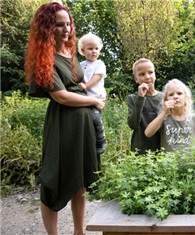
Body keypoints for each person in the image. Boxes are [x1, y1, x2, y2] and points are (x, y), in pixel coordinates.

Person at [24, 2, 105, 234]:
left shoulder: (70, 52)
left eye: (68, 23)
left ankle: (79, 232)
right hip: (62, 125)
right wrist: (94, 101)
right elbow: (61, 97)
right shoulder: (45, 57)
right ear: (48, 28)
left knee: (80, 181)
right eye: (59, 25)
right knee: (53, 180)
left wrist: (93, 98)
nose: (66, 29)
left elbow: (80, 85)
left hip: (83, 125)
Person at [145, 79, 195, 153]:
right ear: (166, 99)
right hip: (168, 163)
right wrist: (164, 113)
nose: (175, 97)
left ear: (186, 97)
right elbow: (148, 133)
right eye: (171, 94)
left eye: (179, 93)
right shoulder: (163, 118)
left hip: (189, 162)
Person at [78, 32, 108, 154]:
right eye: (90, 49)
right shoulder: (80, 65)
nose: (94, 51)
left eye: (96, 49)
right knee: (87, 119)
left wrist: (85, 85)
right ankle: (90, 140)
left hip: (97, 96)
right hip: (86, 97)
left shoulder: (99, 64)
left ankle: (102, 138)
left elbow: (97, 77)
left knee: (95, 117)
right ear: (83, 50)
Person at [127, 58, 164, 155]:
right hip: (140, 150)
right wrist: (140, 98)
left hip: (161, 150)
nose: (147, 77)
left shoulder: (164, 98)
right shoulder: (133, 98)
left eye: (150, 72)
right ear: (136, 79)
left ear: (155, 75)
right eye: (142, 74)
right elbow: (133, 124)